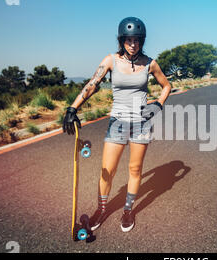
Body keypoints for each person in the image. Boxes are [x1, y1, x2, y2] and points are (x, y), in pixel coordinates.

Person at [62, 17, 171, 232]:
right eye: (128, 40)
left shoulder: (150, 63)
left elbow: (167, 86)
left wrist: (158, 105)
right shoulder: (111, 60)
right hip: (118, 122)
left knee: (135, 169)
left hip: (141, 122)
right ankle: (102, 210)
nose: (133, 44)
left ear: (142, 41)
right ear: (121, 40)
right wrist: (72, 108)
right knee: (107, 170)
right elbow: (92, 85)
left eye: (137, 40)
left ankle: (128, 210)